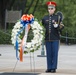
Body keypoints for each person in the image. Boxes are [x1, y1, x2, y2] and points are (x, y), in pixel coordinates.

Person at [42, 1, 64, 73]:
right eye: (49, 8)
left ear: (54, 9)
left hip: (55, 38)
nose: (50, 10)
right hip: (47, 38)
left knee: (54, 53)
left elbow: (62, 26)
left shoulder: (57, 17)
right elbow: (42, 26)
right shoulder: (45, 17)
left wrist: (58, 26)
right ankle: (49, 67)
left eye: (52, 8)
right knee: (49, 54)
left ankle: (53, 67)